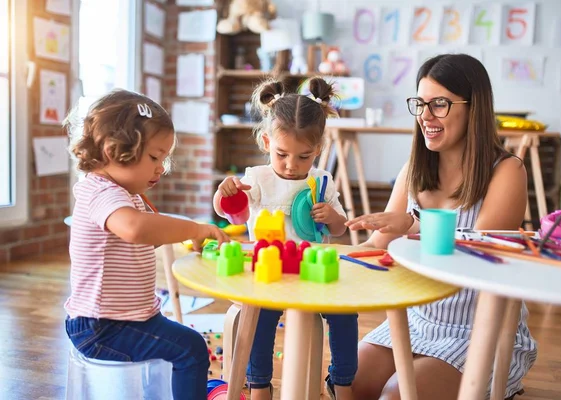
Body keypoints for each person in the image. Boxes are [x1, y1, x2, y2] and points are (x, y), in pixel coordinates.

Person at [345, 54, 537, 400]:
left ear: (473, 108)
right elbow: (376, 247)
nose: (425, 116)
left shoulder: (507, 171)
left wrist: (412, 223)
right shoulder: (414, 170)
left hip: (479, 331)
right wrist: (317, 254)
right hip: (416, 322)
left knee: (396, 396)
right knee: (348, 382)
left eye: (439, 104)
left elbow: (477, 256)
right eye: (420, 103)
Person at [64, 89, 229, 400]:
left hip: (125, 318)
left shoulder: (126, 196)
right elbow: (136, 229)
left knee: (180, 340)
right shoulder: (100, 192)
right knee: (191, 349)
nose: (161, 168)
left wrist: (187, 239)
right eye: (155, 157)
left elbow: (139, 242)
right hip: (102, 327)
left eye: (164, 159)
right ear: (114, 151)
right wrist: (193, 228)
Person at [213, 77, 357, 400]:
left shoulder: (322, 181)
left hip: (312, 273)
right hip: (269, 274)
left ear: (317, 149)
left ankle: (342, 381)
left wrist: (332, 217)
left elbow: (340, 229)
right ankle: (260, 385)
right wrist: (224, 195)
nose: (292, 166)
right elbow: (229, 213)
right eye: (282, 155)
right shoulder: (258, 178)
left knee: (346, 313)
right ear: (266, 142)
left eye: (303, 157)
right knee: (261, 323)